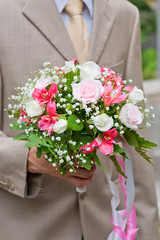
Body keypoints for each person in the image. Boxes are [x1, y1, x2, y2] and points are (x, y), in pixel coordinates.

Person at [0, 0, 159, 239]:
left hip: (107, 225)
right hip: (25, 225)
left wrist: (148, 232)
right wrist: (28, 158)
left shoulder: (125, 14)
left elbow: (135, 136)